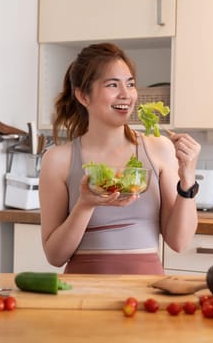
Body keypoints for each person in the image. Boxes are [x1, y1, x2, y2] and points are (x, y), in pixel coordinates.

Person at [39, 42, 201, 275]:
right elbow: (55, 256)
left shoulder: (159, 149)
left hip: (146, 291)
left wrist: (187, 179)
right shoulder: (57, 160)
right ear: (84, 96)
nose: (126, 95)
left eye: (131, 84)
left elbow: (179, 242)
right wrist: (85, 204)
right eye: (113, 85)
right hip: (83, 292)